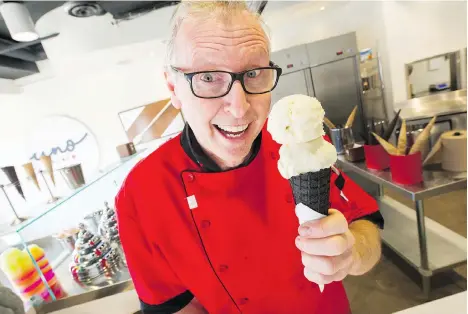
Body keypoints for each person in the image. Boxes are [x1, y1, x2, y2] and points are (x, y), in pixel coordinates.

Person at [116, 1, 384, 313]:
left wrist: (351, 253)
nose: (240, 106)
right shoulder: (141, 193)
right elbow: (172, 306)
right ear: (173, 87)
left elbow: (367, 229)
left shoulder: (299, 144)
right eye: (208, 77)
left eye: (254, 73)